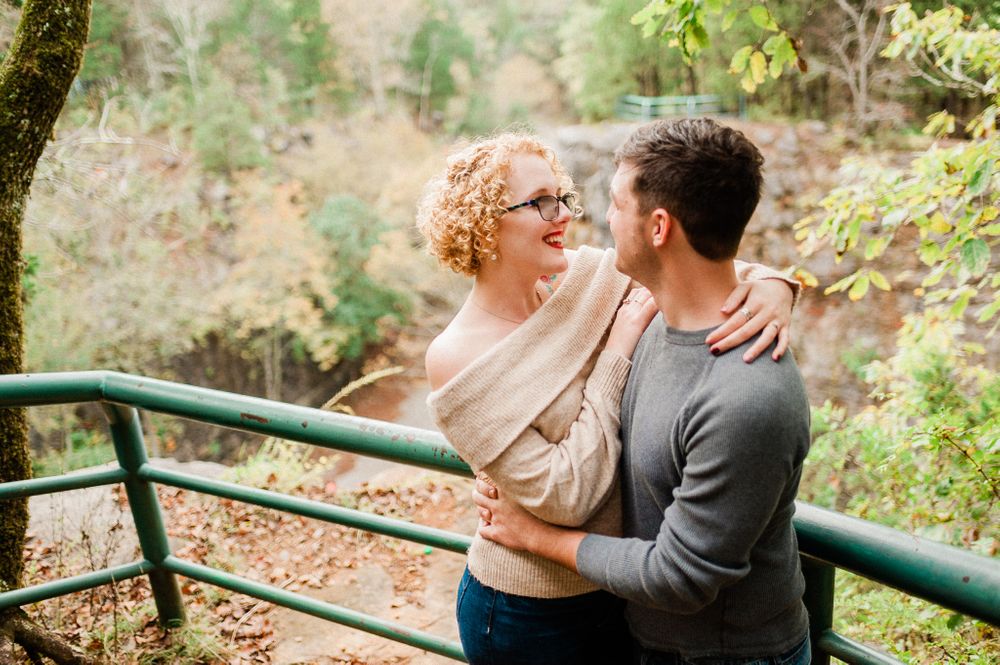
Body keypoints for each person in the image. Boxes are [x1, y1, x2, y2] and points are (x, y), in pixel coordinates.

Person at [415, 131, 800, 665]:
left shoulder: (588, 278)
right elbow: (568, 496)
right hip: (530, 610)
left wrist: (778, 286)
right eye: (540, 202)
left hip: (619, 593)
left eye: (561, 197)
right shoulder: (456, 356)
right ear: (485, 225)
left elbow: (696, 261)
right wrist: (617, 349)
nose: (563, 215)